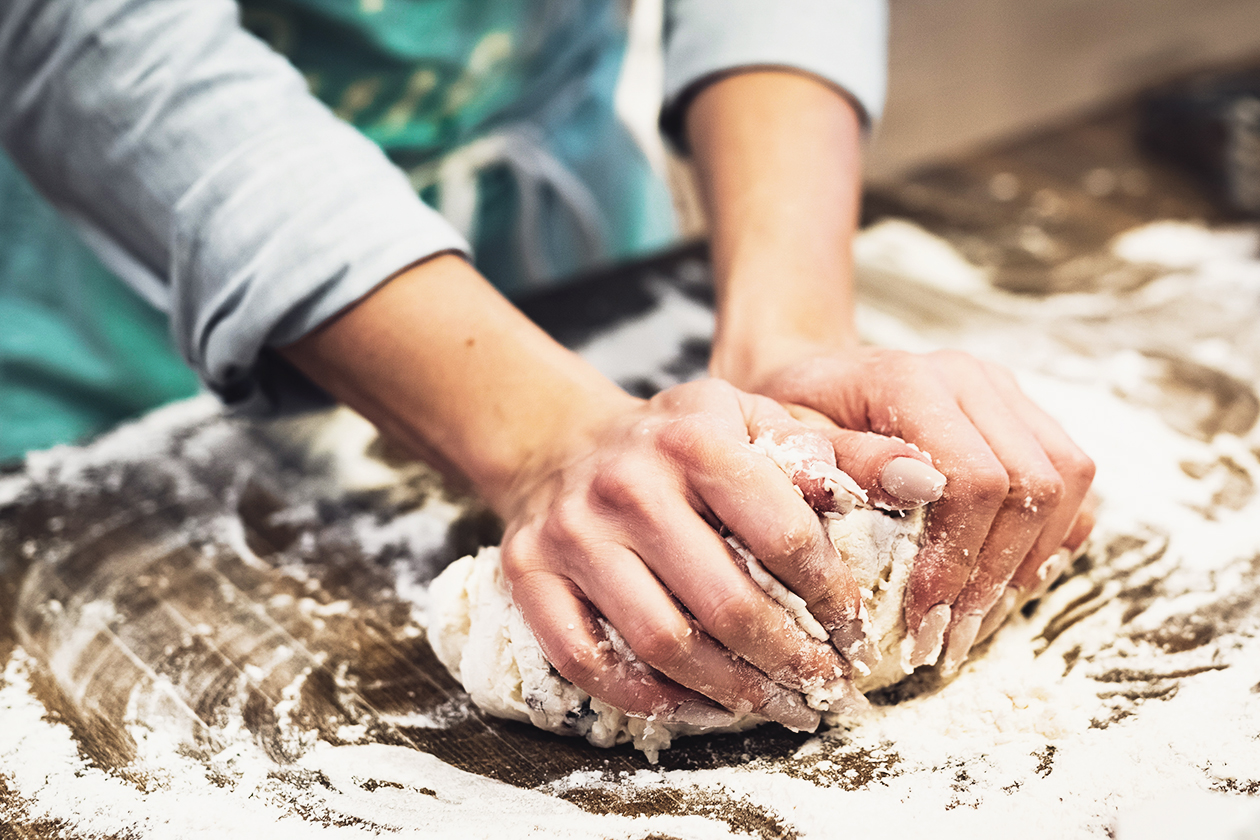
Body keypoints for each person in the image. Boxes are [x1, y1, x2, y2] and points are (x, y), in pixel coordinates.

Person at [0, 0, 1094, 731]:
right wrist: (541, 435)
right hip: (120, 309)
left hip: (554, 240)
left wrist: (789, 337)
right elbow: (90, 34)